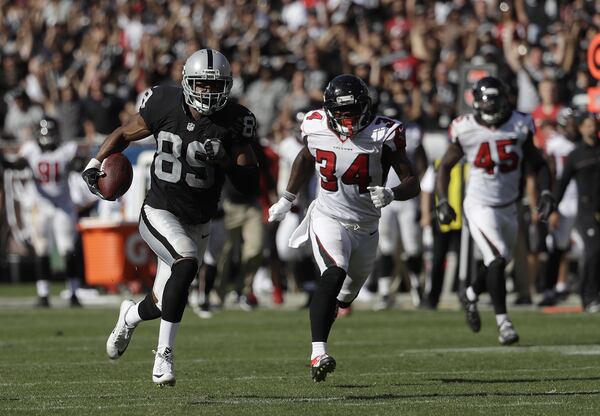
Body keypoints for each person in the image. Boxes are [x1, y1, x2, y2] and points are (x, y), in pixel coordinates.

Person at [81, 48, 259, 386]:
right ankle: (163, 357)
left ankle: (129, 317)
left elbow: (249, 181)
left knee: (166, 301)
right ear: (188, 83)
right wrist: (94, 163)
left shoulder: (236, 121)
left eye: (215, 85)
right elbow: (123, 133)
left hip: (199, 219)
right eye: (202, 85)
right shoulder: (163, 102)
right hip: (159, 210)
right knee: (187, 261)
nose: (208, 92)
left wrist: (224, 159)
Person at [268, 74, 419, 382]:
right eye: (342, 111)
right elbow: (305, 156)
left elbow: (411, 181)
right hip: (328, 217)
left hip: (366, 227)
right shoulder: (315, 124)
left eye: (354, 111)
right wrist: (287, 197)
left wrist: (392, 193)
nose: (348, 118)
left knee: (346, 295)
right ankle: (318, 353)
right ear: (329, 109)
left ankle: (331, 309)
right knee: (334, 272)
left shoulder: (384, 133)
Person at [436, 76, 554, 345]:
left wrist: (546, 191)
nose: (491, 107)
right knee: (498, 257)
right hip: (479, 205)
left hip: (510, 205)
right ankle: (504, 324)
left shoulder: (520, 123)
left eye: (495, 100)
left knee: (498, 262)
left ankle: (470, 293)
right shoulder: (464, 128)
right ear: (476, 103)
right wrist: (444, 200)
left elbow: (538, 163)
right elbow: (445, 165)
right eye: (486, 101)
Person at [1, 116, 84, 307]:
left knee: (67, 248)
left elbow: (80, 161)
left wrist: (77, 163)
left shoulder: (67, 149)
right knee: (42, 248)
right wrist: (6, 162)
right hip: (41, 206)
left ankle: (73, 292)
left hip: (63, 205)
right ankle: (44, 294)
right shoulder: (31, 149)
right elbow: (19, 165)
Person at [553, 112, 600, 312]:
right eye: (587, 125)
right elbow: (561, 183)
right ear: (581, 128)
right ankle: (588, 296)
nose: (591, 129)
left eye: (594, 125)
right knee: (593, 251)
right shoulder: (576, 155)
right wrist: (553, 208)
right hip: (586, 209)